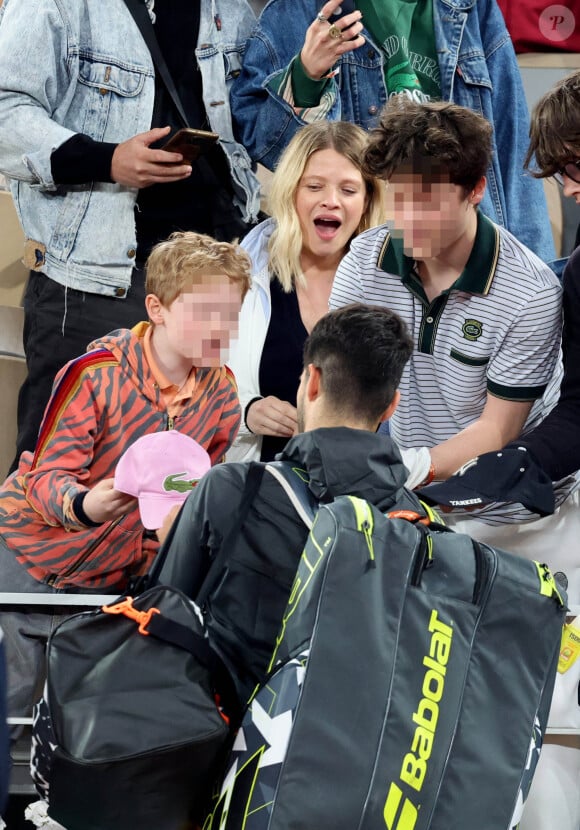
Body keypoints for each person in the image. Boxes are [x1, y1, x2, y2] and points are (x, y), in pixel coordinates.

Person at [0, 230, 250, 720]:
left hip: (102, 592)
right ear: (157, 309)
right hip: (25, 564)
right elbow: (47, 476)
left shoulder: (222, 397)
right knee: (7, 711)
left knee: (72, 731)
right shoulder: (94, 374)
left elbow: (192, 496)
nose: (221, 329)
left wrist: (158, 552)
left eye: (231, 315)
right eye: (205, 312)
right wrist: (86, 505)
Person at [0, 0, 260, 467]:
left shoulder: (228, 10)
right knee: (60, 474)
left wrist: (303, 76)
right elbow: (5, 110)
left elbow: (252, 121)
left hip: (205, 280)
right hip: (94, 280)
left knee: (177, 476)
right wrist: (106, 159)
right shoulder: (58, 4)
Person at [155, 303, 414, 704]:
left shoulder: (231, 489)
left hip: (223, 746)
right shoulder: (419, 527)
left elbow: (158, 618)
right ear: (391, 404)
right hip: (353, 754)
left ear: (312, 381)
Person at [330, 98, 563, 496]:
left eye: (427, 201)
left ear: (475, 189)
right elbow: (342, 390)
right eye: (399, 198)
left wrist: (409, 469)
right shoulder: (363, 264)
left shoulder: (532, 294)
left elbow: (497, 429)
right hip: (407, 493)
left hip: (508, 506)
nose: (409, 219)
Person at [230, 0, 555, 263]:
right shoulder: (298, 12)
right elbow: (266, 146)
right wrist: (306, 77)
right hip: (367, 261)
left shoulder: (471, 7)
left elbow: (513, 148)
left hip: (468, 252)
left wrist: (536, 273)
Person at [226, 119, 384, 462]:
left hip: (360, 498)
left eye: (348, 189)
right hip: (258, 494)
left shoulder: (391, 285)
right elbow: (188, 387)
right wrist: (246, 412)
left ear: (368, 202)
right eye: (314, 186)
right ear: (291, 193)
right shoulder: (238, 274)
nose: (331, 201)